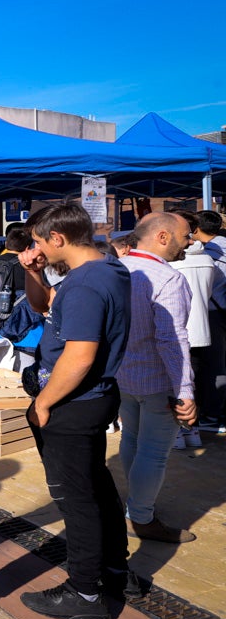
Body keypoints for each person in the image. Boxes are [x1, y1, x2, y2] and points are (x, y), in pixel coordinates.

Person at [16, 203, 134, 619]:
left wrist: (43, 402)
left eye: (39, 242)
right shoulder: (104, 269)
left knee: (77, 499)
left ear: (58, 238)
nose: (36, 249)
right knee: (96, 487)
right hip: (90, 399)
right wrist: (34, 273)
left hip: (74, 403)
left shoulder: (86, 283)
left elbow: (80, 355)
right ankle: (114, 572)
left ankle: (85, 592)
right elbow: (47, 307)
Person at [117, 213, 197, 543]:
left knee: (132, 441)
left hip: (122, 377)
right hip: (157, 382)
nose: (190, 241)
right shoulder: (168, 278)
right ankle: (141, 518)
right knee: (152, 452)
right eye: (186, 235)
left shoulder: (117, 269)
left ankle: (136, 508)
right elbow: (172, 339)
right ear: (163, 237)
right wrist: (185, 391)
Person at [172, 211, 226, 448]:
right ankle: (204, 421)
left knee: (184, 375)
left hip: (188, 322)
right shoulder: (209, 258)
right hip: (211, 318)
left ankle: (184, 428)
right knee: (214, 367)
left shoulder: (179, 261)